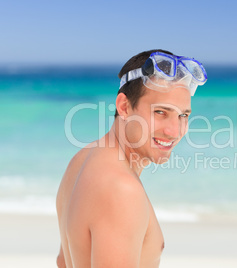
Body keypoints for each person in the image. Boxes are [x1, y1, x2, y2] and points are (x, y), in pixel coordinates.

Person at [56, 49, 207, 268]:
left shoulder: (81, 160)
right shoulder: (122, 190)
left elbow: (63, 261)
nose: (175, 131)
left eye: (183, 115)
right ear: (124, 107)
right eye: (160, 112)